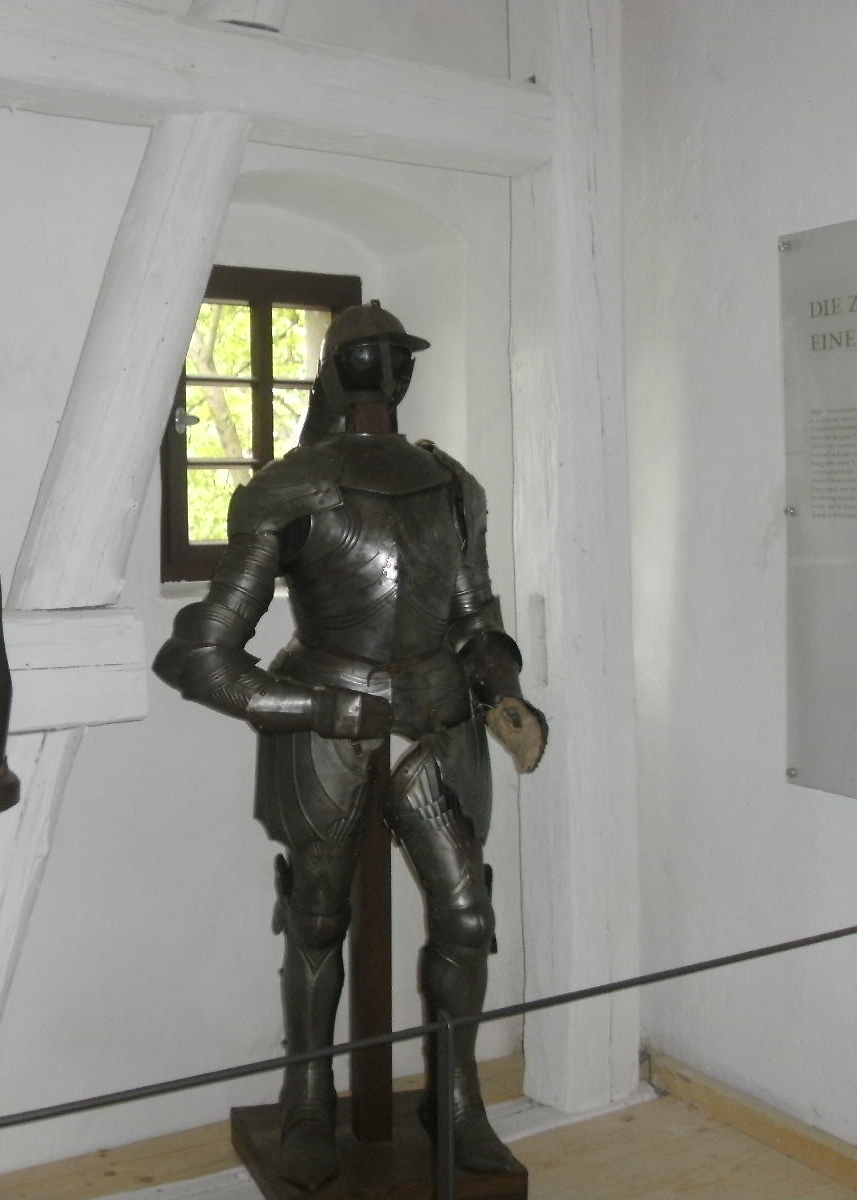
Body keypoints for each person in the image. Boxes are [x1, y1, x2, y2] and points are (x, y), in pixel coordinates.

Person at [154, 301, 546, 1190]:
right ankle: (307, 1103)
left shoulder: (453, 485)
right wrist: (317, 708)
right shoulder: (291, 489)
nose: (383, 374)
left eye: (392, 358)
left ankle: (455, 1098)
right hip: (327, 723)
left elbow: (473, 615)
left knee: (467, 917)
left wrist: (504, 693)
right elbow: (200, 655)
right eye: (369, 358)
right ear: (338, 371)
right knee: (318, 918)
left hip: (437, 718)